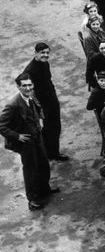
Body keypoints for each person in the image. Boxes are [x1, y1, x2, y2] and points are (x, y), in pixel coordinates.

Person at [0, 73, 59, 211]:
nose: (28, 88)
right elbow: (1, 125)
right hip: (26, 143)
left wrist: (41, 119)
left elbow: (39, 107)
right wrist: (17, 136)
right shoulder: (13, 105)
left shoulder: (31, 96)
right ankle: (32, 200)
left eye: (30, 85)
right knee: (31, 170)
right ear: (18, 87)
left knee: (44, 164)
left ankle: (45, 189)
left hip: (37, 137)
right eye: (24, 86)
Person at [22, 43, 66, 161]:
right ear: (35, 53)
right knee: (45, 130)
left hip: (52, 100)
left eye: (47, 53)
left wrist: (54, 96)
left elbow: (49, 81)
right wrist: (38, 107)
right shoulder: (30, 70)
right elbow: (29, 92)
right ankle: (45, 154)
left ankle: (54, 152)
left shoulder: (45, 63)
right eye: (42, 52)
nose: (45, 55)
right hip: (42, 105)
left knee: (56, 127)